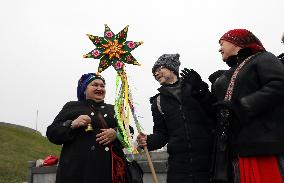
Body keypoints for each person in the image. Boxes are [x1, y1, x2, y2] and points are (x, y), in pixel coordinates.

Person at [212, 29, 284, 183]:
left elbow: (279, 85)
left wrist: (244, 105)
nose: (219, 48)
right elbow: (220, 106)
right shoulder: (232, 72)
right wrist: (201, 92)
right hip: (239, 149)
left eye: (222, 43)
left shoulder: (263, 58)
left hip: (264, 147)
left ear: (236, 42)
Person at [136, 54, 215, 183]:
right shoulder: (158, 101)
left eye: (159, 68)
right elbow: (162, 134)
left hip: (208, 162)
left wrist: (201, 89)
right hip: (178, 167)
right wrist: (148, 141)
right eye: (154, 73)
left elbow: (213, 111)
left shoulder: (194, 88)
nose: (156, 73)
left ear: (172, 68)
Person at [46, 73, 126, 183]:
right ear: (84, 89)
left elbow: (129, 133)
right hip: (76, 173)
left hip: (107, 173)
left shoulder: (114, 109)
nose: (99, 88)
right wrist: (72, 124)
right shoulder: (72, 106)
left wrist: (115, 133)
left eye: (102, 86)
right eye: (95, 85)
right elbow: (51, 133)